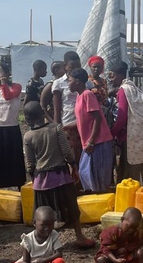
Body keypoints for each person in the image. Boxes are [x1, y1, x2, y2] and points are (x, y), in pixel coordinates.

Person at [23, 102, 94, 249]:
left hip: (41, 181)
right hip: (61, 176)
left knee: (44, 214)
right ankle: (79, 237)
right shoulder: (56, 129)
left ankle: (45, 244)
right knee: (72, 208)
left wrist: (33, 178)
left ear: (27, 119)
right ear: (43, 114)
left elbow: (30, 162)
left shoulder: (28, 136)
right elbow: (67, 152)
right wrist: (74, 167)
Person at [109, 60, 143, 182]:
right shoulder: (133, 87)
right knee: (136, 164)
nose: (110, 79)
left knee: (128, 166)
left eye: (112, 76)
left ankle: (130, 190)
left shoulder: (123, 91)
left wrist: (112, 133)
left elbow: (122, 116)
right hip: (137, 133)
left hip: (128, 135)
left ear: (120, 75)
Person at [70, 68, 113, 192]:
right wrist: (65, 126)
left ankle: (100, 201)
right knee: (86, 173)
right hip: (90, 142)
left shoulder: (87, 95)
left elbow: (97, 118)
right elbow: (82, 119)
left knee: (95, 176)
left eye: (70, 80)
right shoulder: (79, 96)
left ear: (77, 81)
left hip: (97, 142)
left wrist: (91, 141)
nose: (69, 83)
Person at [0, 64, 26, 189]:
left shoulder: (16, 87)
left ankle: (17, 184)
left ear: (8, 74)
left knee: (13, 157)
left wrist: (3, 79)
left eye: (0, 76)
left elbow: (8, 96)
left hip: (11, 128)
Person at [53, 50, 83, 163]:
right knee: (71, 156)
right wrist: (57, 129)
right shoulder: (59, 83)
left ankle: (82, 180)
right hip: (68, 124)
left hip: (83, 123)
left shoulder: (86, 81)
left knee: (84, 155)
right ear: (65, 67)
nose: (75, 69)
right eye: (72, 67)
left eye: (78, 66)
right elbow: (57, 109)